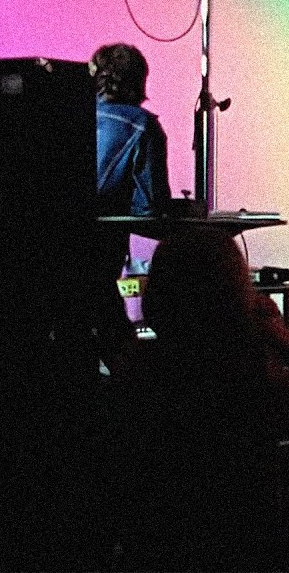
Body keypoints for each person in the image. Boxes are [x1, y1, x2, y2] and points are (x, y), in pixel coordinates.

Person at [104, 229, 289, 569]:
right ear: (236, 296)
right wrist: (285, 342)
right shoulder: (248, 377)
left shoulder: (135, 369)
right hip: (240, 552)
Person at [91, 42, 171, 370]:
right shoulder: (142, 126)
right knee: (120, 348)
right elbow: (149, 208)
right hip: (98, 256)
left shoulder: (60, 116)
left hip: (45, 256)